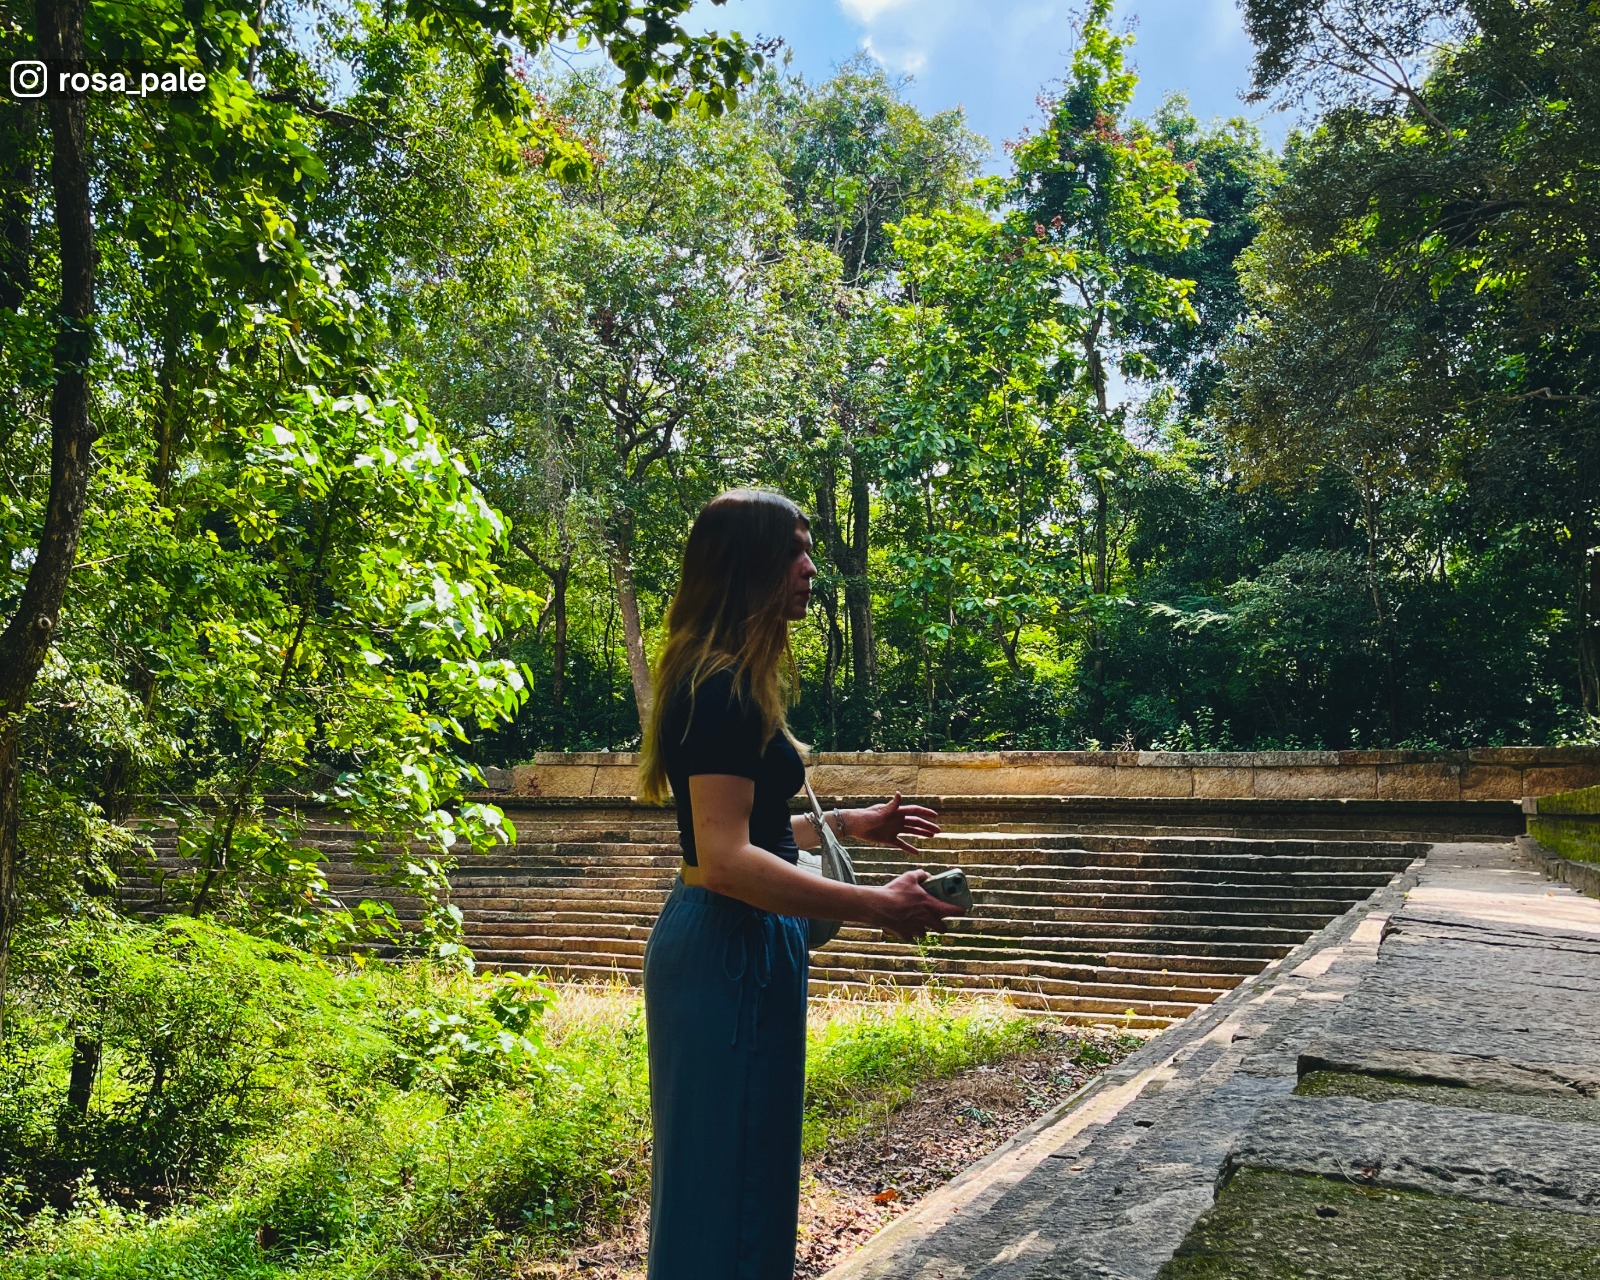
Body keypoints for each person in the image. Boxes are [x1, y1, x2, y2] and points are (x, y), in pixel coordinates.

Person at [637, 488, 966, 1280]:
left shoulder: (729, 679)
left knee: (743, 1168)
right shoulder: (718, 687)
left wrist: (850, 827)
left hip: (739, 943)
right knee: (729, 1178)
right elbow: (723, 859)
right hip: (727, 944)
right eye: (793, 550)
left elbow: (757, 833)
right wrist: (877, 905)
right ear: (746, 564)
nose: (810, 568)